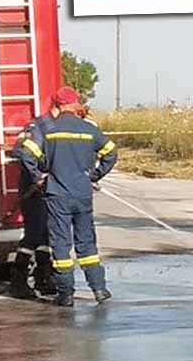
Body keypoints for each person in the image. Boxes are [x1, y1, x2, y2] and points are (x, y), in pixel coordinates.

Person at [23, 87, 118, 307]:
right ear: (76, 105)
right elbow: (111, 153)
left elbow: (27, 153)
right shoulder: (89, 129)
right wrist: (94, 176)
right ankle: (99, 289)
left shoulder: (47, 130)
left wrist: (39, 177)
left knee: (61, 245)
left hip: (57, 195)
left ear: (57, 106)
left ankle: (65, 294)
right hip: (82, 194)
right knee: (87, 244)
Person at [8, 105, 60, 299]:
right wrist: (38, 177)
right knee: (34, 233)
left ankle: (44, 277)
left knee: (46, 233)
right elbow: (24, 153)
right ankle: (18, 280)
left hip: (47, 187)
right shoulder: (39, 127)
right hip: (34, 189)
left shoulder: (55, 126)